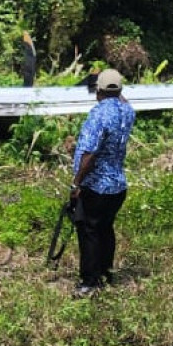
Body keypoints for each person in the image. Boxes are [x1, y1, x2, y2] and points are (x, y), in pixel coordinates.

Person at [69, 68, 134, 297]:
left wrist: (77, 183)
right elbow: (121, 99)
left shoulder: (98, 114)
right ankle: (105, 271)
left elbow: (90, 154)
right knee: (105, 228)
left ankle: (89, 281)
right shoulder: (128, 111)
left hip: (97, 185)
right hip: (118, 185)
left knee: (88, 230)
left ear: (98, 90)